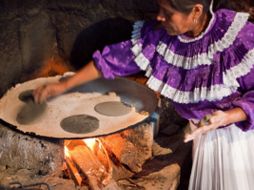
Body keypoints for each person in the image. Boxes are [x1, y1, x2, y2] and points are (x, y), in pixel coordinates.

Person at [33, 0, 254, 189]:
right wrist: (64, 85)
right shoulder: (162, 37)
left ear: (196, 11)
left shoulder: (237, 40)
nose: (159, 16)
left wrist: (227, 117)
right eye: (159, 8)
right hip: (203, 134)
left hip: (233, 140)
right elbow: (112, 60)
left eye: (168, 13)